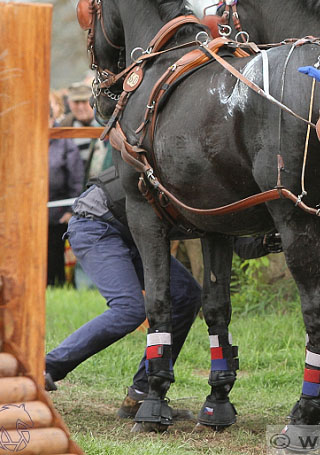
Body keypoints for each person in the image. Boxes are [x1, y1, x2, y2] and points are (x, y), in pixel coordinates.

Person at [44, 178, 202, 421]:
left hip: (137, 234)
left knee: (186, 295)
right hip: (95, 224)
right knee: (129, 308)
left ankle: (142, 394)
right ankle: (46, 367)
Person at [47, 108, 85, 286]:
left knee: (54, 258)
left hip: (57, 214)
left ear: (52, 118)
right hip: (30, 214)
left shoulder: (65, 143)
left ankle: (57, 288)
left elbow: (76, 181)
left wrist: (71, 210)